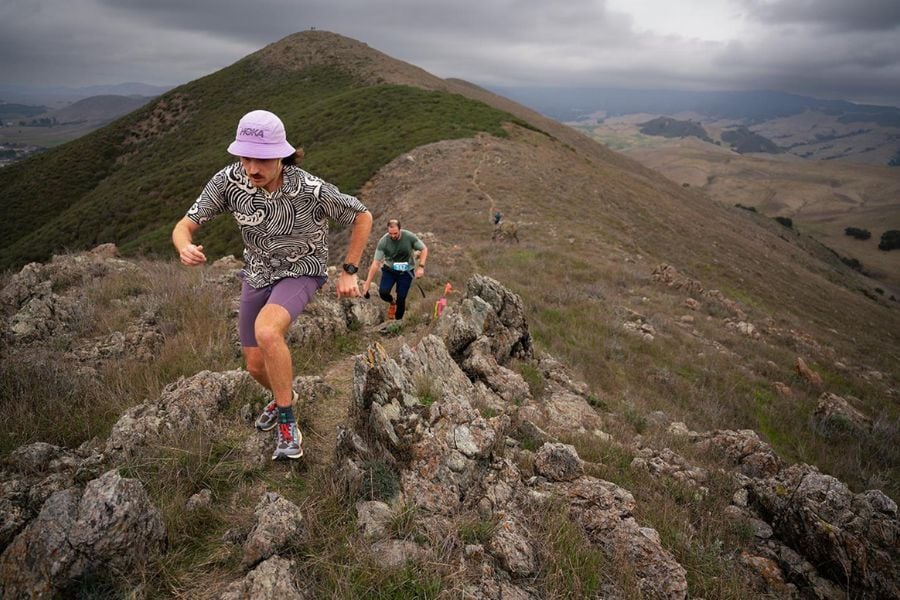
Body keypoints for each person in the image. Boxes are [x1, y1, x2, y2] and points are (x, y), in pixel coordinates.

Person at [172, 110, 372, 460]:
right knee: (253, 365)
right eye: (246, 157)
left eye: (262, 159)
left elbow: (362, 215)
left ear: (282, 154)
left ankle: (287, 424)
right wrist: (184, 246)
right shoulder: (229, 182)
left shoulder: (310, 189)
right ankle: (287, 397)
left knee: (267, 332)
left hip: (301, 269)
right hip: (257, 272)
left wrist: (350, 270)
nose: (252, 168)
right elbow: (184, 225)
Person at [362, 219, 427, 321]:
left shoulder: (409, 237)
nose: (393, 236)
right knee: (383, 293)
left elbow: (424, 249)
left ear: (400, 230)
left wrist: (421, 267)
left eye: (395, 233)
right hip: (390, 270)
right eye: (390, 233)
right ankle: (392, 301)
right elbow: (375, 263)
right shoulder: (383, 241)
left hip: (406, 271)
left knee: (401, 299)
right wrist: (367, 283)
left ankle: (397, 322)